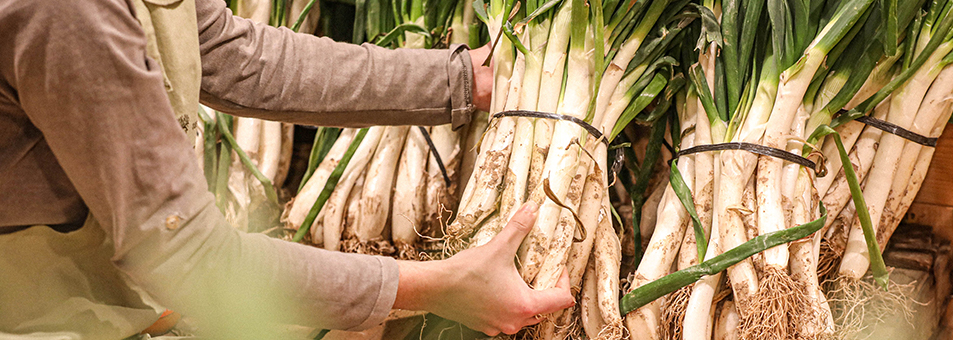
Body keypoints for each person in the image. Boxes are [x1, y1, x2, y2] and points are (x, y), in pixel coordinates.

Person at [0, 0, 574, 338]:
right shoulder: (66, 12)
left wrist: (457, 80)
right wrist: (438, 287)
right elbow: (186, 259)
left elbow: (229, 51)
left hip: (111, 285)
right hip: (39, 317)